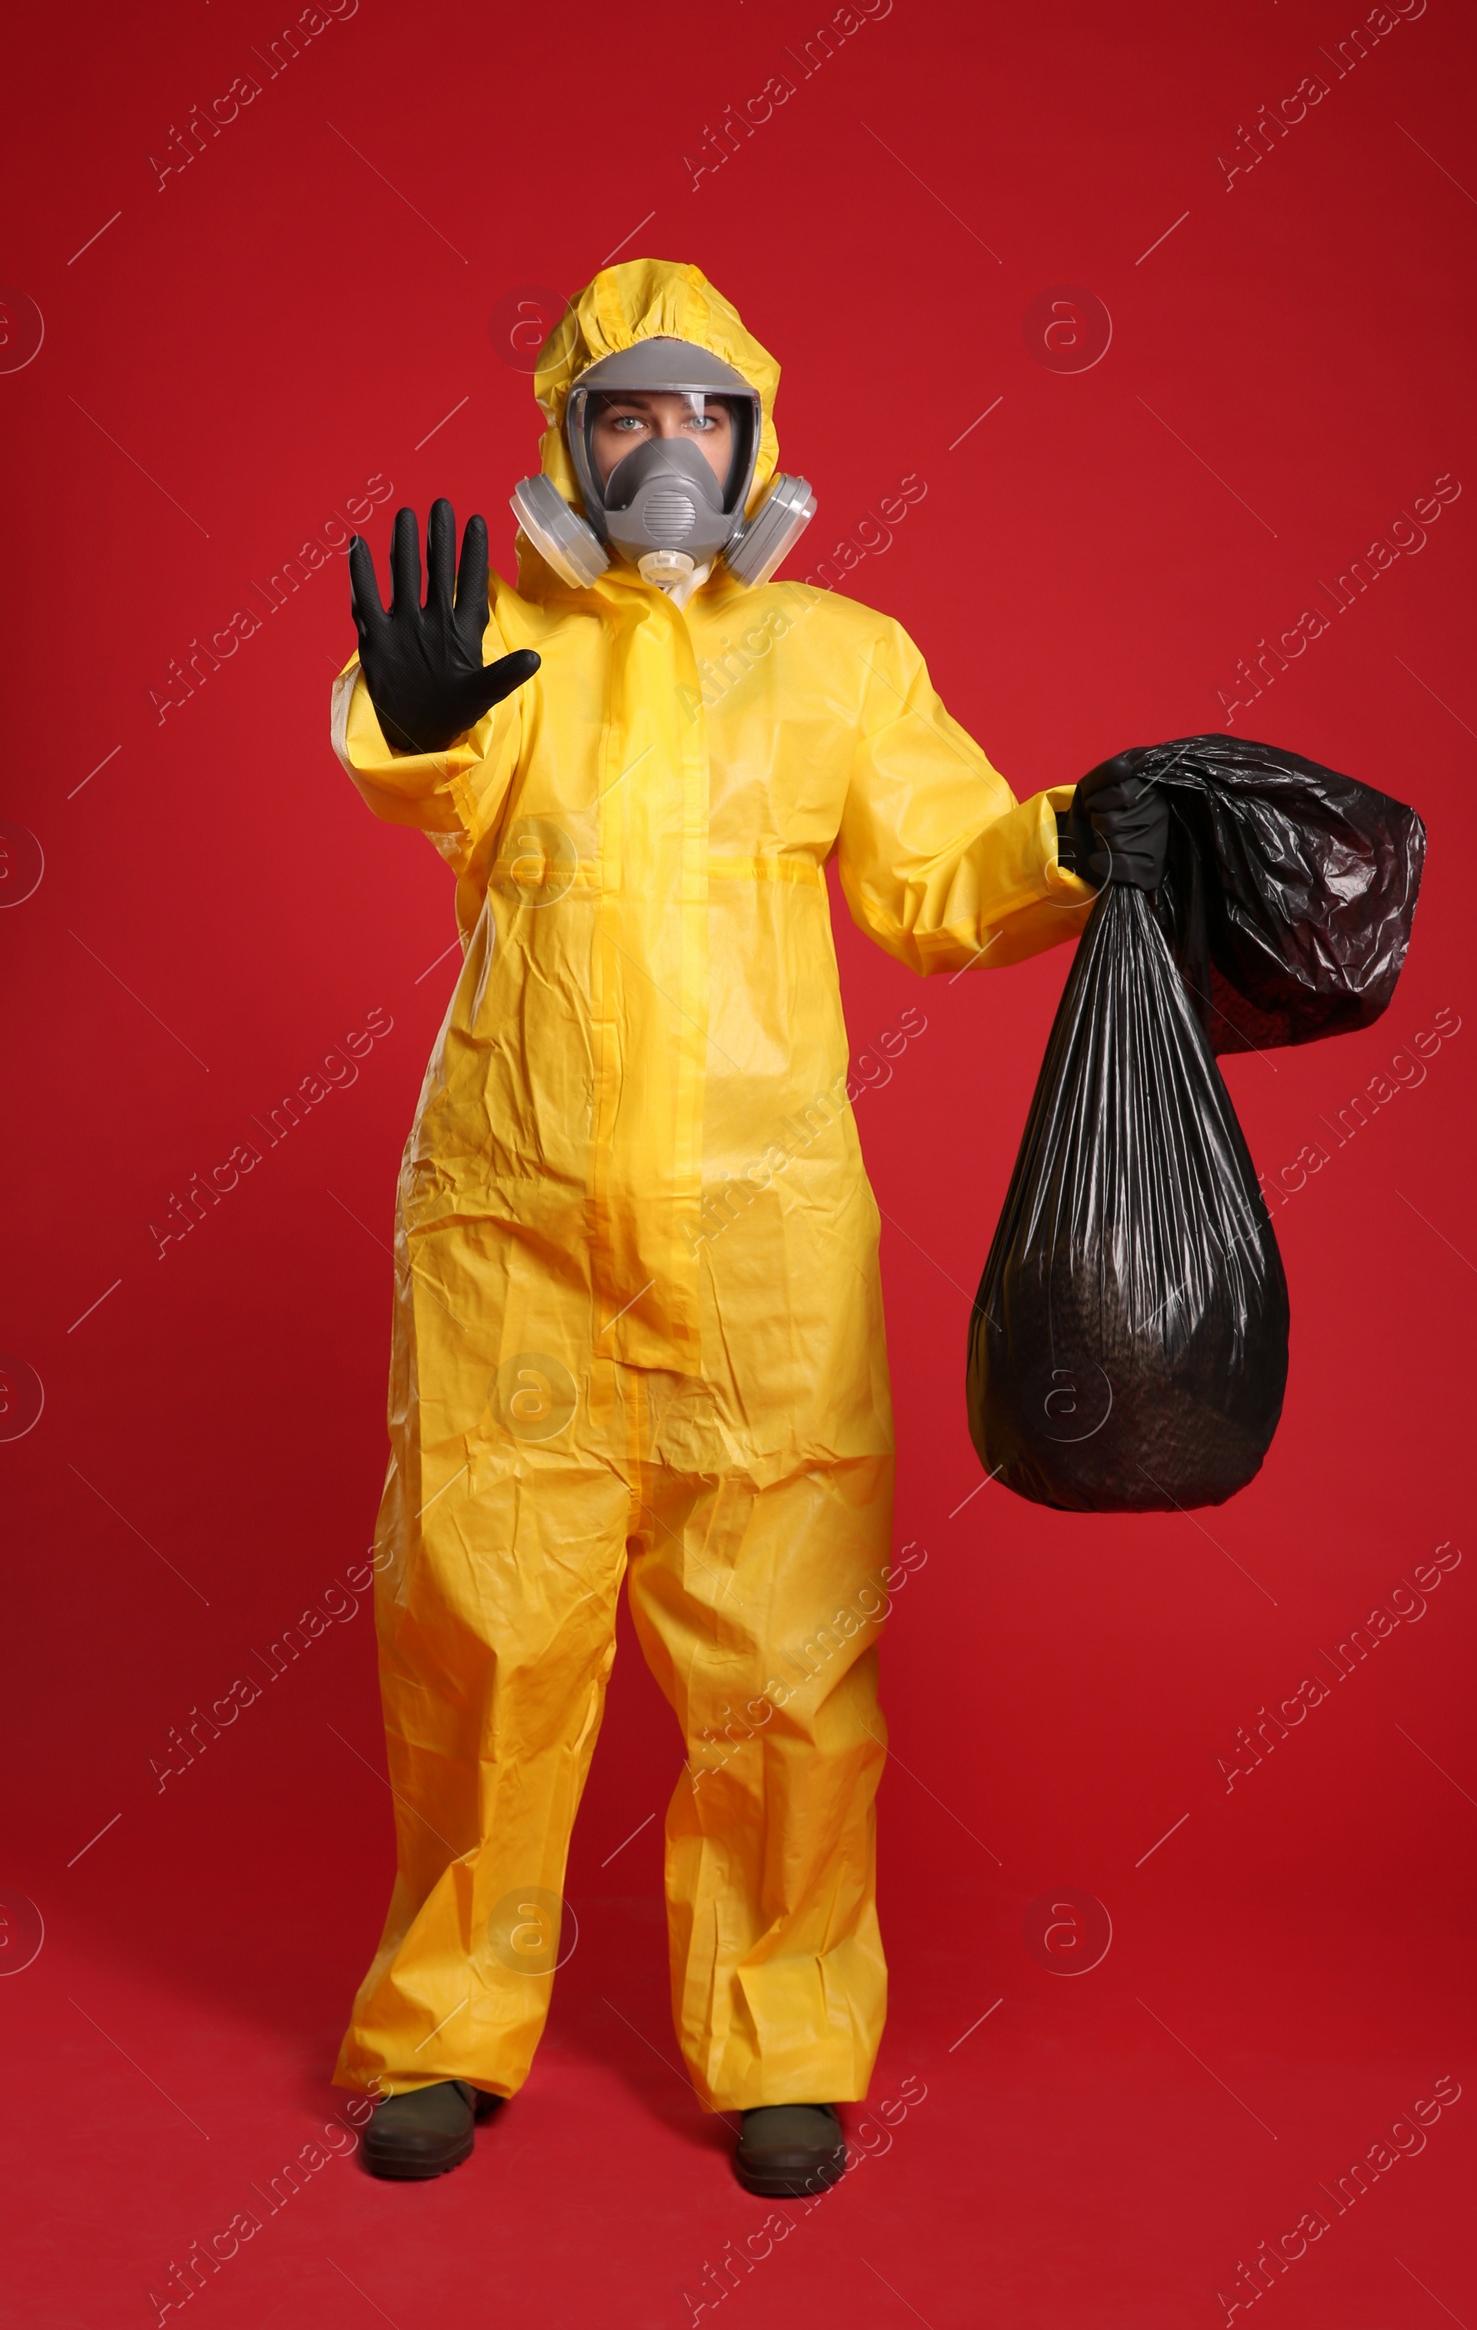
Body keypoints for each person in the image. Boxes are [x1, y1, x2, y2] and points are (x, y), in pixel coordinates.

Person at [329, 258, 1166, 2189]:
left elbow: (941, 881)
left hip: (763, 1248)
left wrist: (1070, 836)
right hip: (509, 1227)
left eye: (702, 416)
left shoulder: (840, 662)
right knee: (478, 1635)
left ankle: (783, 2033)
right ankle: (443, 2028)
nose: (667, 451)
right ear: (568, 441)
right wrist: (420, 705)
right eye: (626, 415)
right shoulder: (503, 644)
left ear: (759, 440)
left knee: (787, 1665)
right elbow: (411, 771)